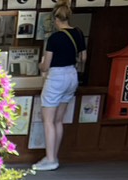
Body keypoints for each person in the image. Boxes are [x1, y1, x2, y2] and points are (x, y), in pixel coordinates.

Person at [35, 4, 86, 171]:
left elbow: (46, 66)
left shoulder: (54, 38)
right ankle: (53, 157)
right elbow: (83, 58)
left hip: (57, 77)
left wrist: (40, 64)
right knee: (58, 120)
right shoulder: (78, 33)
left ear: (56, 19)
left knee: (48, 120)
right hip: (72, 75)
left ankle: (50, 159)